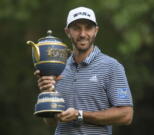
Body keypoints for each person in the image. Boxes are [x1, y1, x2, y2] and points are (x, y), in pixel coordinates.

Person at [35, 6, 133, 135]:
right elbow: (51, 122)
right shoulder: (58, 67)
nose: (82, 34)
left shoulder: (112, 66)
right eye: (76, 28)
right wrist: (48, 94)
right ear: (67, 32)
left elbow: (126, 115)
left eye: (88, 28)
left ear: (96, 30)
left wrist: (80, 115)